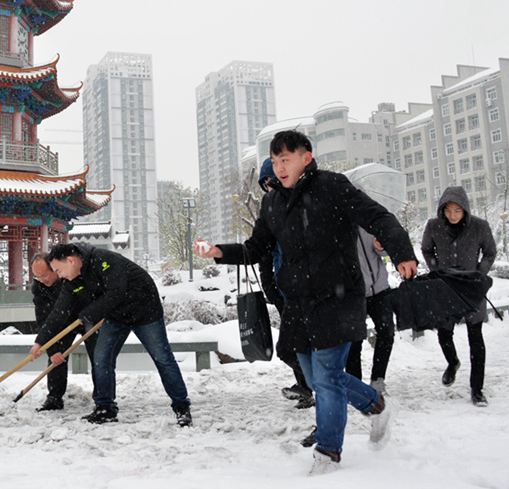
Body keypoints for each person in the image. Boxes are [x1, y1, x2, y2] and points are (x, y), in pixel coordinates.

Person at [194, 130, 418, 475]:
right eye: (275, 160)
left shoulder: (332, 186)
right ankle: (376, 406)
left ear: (306, 158)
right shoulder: (272, 203)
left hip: (337, 296)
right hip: (298, 303)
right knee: (316, 380)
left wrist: (402, 251)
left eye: (287, 159)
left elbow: (378, 217)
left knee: (327, 376)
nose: (280, 167)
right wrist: (218, 251)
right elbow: (256, 248)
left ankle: (328, 453)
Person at [29, 242, 192, 427]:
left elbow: (115, 293)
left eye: (59, 269)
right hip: (116, 316)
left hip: (145, 310)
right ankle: (105, 408)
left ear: (70, 261)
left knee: (162, 358)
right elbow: (58, 312)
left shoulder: (104, 260)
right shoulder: (71, 280)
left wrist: (87, 315)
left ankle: (181, 407)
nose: (59, 275)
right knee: (101, 358)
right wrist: (40, 342)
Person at [421, 186, 497, 407]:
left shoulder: (480, 227)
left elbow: (490, 252)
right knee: (444, 334)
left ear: (465, 210)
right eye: (448, 210)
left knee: (476, 339)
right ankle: (453, 363)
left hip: (471, 290)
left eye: (457, 211)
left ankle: (477, 389)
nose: (453, 215)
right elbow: (427, 250)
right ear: (442, 210)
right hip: (446, 289)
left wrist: (479, 274)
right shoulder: (434, 226)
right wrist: (437, 270)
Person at [256, 158, 314, 411]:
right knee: (295, 346)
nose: (269, 189)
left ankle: (318, 387)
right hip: (284, 290)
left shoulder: (303, 208)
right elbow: (264, 251)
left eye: (273, 182)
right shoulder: (269, 209)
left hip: (307, 290)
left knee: (294, 346)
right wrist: (270, 285)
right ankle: (308, 386)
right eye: (265, 184)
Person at [29, 252, 97, 411]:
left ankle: (102, 398)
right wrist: (51, 349)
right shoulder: (39, 287)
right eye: (37, 277)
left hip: (87, 317)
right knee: (55, 358)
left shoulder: (69, 274)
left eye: (45, 275)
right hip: (60, 322)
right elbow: (43, 320)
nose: (42, 280)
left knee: (98, 356)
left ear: (54, 268)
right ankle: (54, 398)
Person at [346, 227, 396, 394]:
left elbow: (386, 252)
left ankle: (378, 379)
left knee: (387, 332)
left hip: (380, 289)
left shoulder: (368, 221)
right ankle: (355, 385)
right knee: (354, 340)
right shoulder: (335, 225)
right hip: (354, 293)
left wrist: (381, 247)